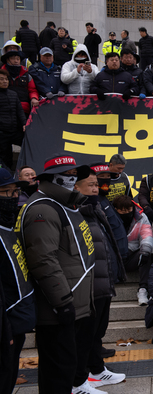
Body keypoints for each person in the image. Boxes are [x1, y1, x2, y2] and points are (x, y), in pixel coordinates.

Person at [16, 154, 94, 394]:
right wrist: (62, 302)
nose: (72, 179)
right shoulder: (44, 209)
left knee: (67, 367)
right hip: (58, 307)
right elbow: (43, 260)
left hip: (74, 302)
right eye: (67, 175)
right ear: (50, 178)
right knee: (58, 371)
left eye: (74, 175)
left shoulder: (65, 205)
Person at [73, 169, 127, 391]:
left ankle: (97, 370)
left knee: (97, 331)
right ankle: (78, 381)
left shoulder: (96, 207)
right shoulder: (75, 212)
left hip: (104, 280)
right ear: (76, 187)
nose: (95, 188)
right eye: (90, 185)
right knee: (85, 334)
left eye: (96, 184)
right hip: (88, 284)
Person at [0, 168, 35, 394]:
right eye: (6, 192)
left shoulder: (9, 227)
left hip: (18, 321)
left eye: (15, 192)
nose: (13, 198)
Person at [112, 195, 153, 306]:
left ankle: (143, 289)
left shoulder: (141, 217)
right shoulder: (108, 218)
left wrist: (145, 250)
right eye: (122, 210)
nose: (126, 213)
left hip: (132, 256)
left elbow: (147, 235)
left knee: (147, 253)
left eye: (129, 210)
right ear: (115, 209)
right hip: (114, 259)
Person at [0, 69, 26, 169]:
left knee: (27, 145)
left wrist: (24, 123)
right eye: (1, 79)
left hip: (15, 131)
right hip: (2, 133)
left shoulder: (13, 94)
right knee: (6, 158)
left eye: (6, 79)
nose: (5, 81)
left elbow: (20, 111)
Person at [0, 50, 39, 117]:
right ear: (7, 60)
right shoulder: (2, 75)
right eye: (13, 59)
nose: (16, 61)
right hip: (5, 108)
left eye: (18, 59)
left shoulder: (27, 75)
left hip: (24, 108)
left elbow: (32, 90)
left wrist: (34, 98)